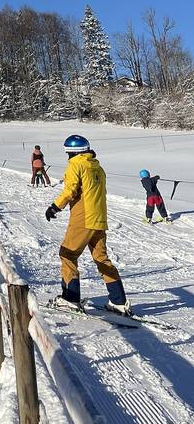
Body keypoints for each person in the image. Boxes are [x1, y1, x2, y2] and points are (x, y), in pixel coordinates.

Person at [45, 135, 131, 316]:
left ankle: (71, 299)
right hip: (99, 218)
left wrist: (55, 207)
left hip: (83, 218)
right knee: (101, 258)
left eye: (68, 153)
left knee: (67, 254)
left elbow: (70, 190)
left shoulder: (76, 164)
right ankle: (119, 302)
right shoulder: (97, 167)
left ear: (72, 151)